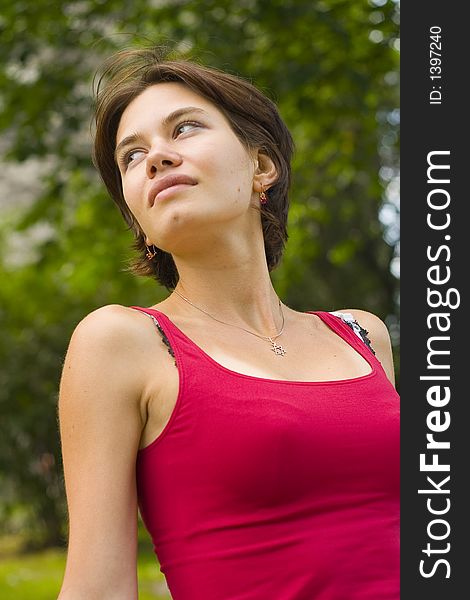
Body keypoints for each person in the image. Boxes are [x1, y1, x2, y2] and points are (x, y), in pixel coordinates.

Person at [57, 46, 399, 600]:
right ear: (139, 219)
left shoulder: (363, 335)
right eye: (131, 156)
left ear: (261, 166)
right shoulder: (123, 343)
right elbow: (97, 588)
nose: (157, 158)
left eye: (185, 129)